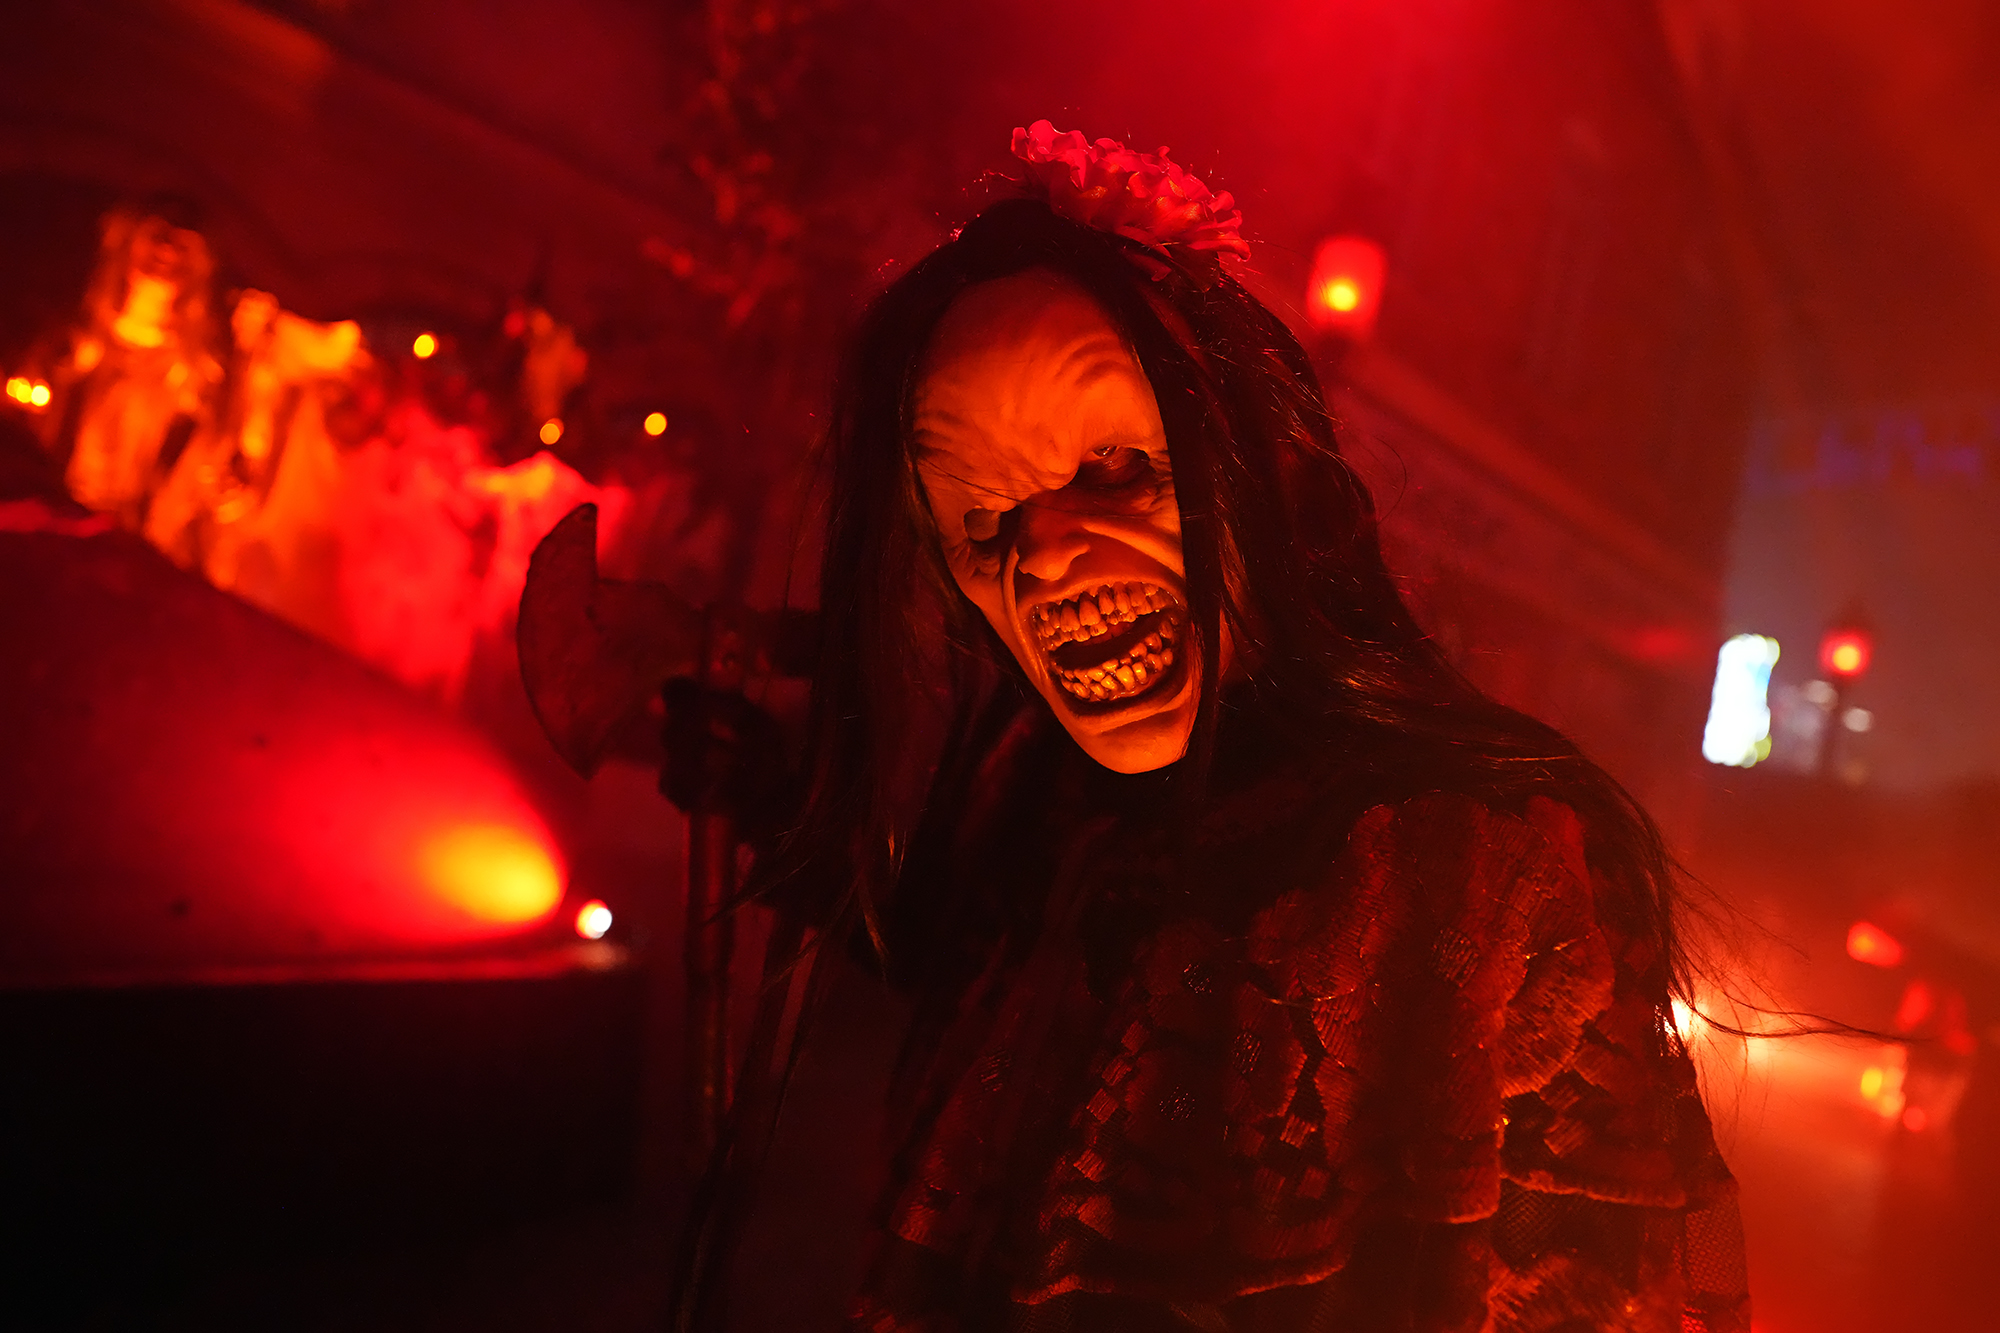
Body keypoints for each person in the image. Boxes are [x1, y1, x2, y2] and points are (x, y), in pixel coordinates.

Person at [673, 122, 1750, 1333]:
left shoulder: (1469, 873)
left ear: (1264, 474)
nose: (1041, 554)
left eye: (1114, 468)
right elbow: (967, 970)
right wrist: (769, 794)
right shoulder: (1046, 797)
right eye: (981, 522)